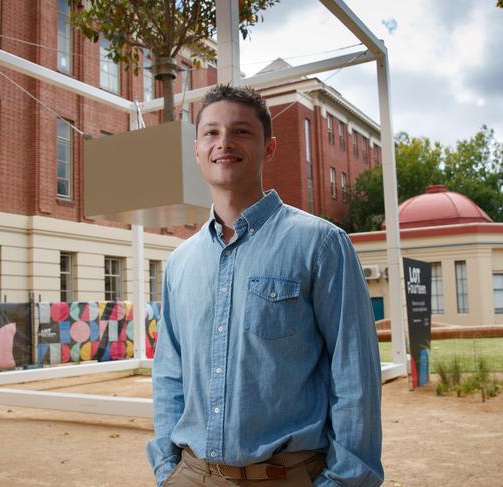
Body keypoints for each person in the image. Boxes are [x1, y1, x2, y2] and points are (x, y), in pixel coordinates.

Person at [146, 84, 383, 487]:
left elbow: (355, 376)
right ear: (197, 149)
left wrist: (342, 482)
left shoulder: (321, 245)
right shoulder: (180, 262)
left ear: (268, 148)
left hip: (287, 476)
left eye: (241, 131)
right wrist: (168, 470)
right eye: (211, 132)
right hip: (190, 474)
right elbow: (169, 372)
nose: (224, 143)